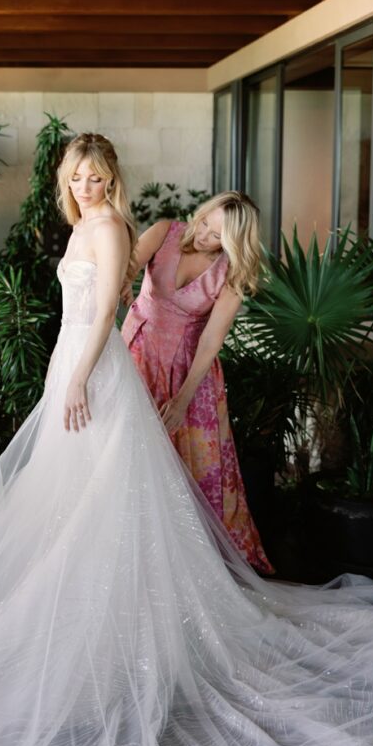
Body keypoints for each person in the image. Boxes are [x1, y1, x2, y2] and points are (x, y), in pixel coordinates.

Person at [0, 134, 373, 746]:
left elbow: (109, 302)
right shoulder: (94, 224)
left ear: (112, 178)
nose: (86, 184)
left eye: (97, 175)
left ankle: (108, 646)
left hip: (96, 370)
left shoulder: (111, 226)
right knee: (69, 503)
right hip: (76, 365)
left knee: (99, 505)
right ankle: (72, 621)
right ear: (67, 179)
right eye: (76, 175)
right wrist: (69, 371)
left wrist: (80, 376)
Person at [123, 192, 271, 571]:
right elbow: (123, 270)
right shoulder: (163, 232)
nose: (204, 235)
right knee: (129, 454)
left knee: (191, 466)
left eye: (218, 235)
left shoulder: (231, 273)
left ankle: (185, 564)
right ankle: (131, 552)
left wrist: (183, 399)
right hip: (137, 354)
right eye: (206, 221)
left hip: (190, 372)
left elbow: (211, 340)